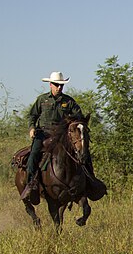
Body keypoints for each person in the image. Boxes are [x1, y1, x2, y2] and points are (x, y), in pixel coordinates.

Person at [21, 71, 105, 202]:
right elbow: (32, 115)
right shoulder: (42, 100)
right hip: (43, 133)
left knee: (84, 152)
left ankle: (90, 181)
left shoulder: (69, 101)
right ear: (50, 84)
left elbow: (79, 117)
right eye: (56, 85)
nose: (59, 87)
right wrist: (32, 128)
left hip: (61, 135)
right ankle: (31, 184)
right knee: (33, 154)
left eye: (61, 85)